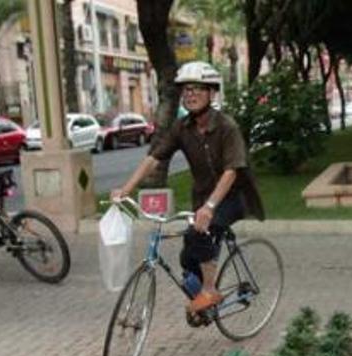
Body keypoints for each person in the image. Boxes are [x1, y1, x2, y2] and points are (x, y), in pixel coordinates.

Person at [112, 61, 264, 315]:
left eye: (197, 89)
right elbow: (154, 157)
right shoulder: (182, 128)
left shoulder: (227, 127)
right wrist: (126, 189)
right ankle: (206, 306)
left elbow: (232, 171)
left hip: (231, 198)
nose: (190, 94)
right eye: (186, 90)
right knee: (187, 257)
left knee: (198, 233)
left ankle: (210, 292)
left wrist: (210, 207)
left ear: (211, 92)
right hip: (203, 199)